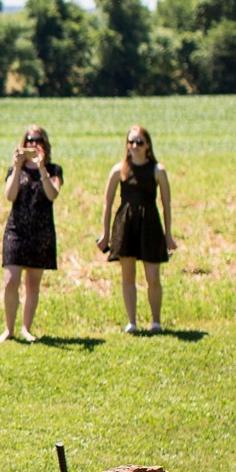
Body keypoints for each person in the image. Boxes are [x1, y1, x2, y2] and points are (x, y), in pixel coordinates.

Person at [96, 125, 178, 333]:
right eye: (131, 142)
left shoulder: (158, 170)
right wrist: (105, 233)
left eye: (139, 142)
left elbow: (166, 204)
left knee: (153, 277)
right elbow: (107, 202)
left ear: (148, 145)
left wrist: (168, 234)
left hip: (150, 224)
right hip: (126, 224)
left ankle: (156, 322)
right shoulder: (118, 170)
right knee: (128, 276)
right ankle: (131, 322)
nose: (135, 146)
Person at [0, 124, 63, 343]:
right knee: (10, 279)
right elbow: (9, 195)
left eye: (38, 141)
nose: (33, 145)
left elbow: (52, 194)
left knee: (33, 283)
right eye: (29, 141)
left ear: (45, 144)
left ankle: (26, 328)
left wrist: (42, 168)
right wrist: (17, 168)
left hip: (41, 231)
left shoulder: (54, 170)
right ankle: (9, 329)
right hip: (16, 230)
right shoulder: (14, 169)